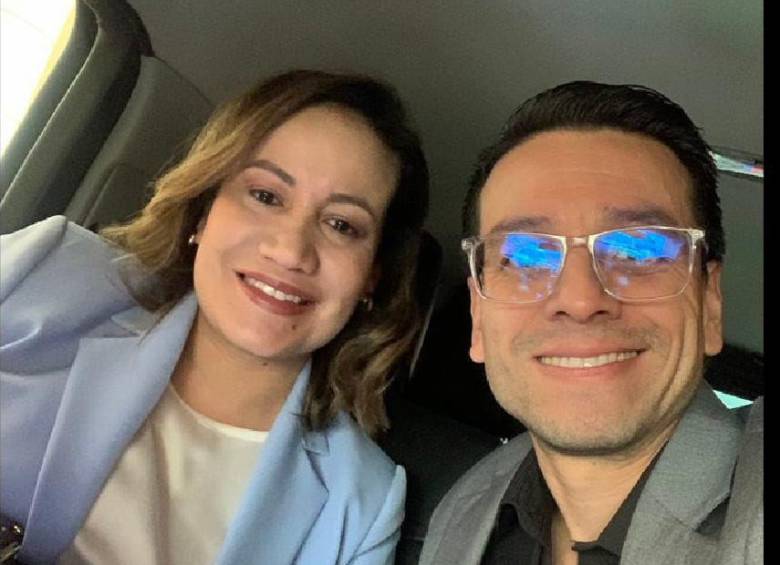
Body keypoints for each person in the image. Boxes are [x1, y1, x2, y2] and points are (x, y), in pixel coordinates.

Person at [0, 69, 429, 564]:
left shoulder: (362, 504)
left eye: (341, 225)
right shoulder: (41, 274)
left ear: (371, 276)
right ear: (203, 211)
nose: (291, 251)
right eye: (266, 196)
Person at [419, 81, 763, 565]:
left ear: (709, 302)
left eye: (639, 251)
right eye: (527, 257)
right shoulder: (460, 514)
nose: (580, 300)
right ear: (478, 316)